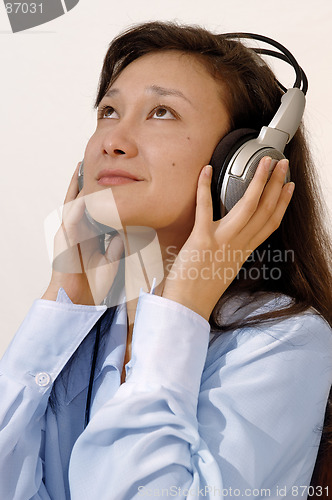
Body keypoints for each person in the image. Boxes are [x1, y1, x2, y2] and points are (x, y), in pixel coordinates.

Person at [0, 21, 331, 500]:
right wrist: (61, 301)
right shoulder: (88, 329)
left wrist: (181, 313)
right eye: (109, 111)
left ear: (242, 165)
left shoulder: (281, 339)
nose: (113, 141)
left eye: (161, 112)